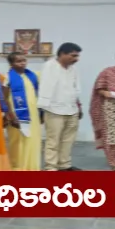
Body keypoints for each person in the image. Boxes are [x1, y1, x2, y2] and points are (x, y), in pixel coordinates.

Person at [38, 42, 84, 171]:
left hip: (72, 109)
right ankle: (51, 167)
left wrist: (79, 107)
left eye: (77, 56)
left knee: (68, 140)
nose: (76, 59)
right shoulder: (49, 66)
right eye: (73, 56)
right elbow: (45, 88)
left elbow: (75, 89)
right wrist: (42, 109)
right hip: (54, 110)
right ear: (63, 54)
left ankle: (64, 165)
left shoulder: (73, 69)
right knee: (53, 141)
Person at [4, 52, 43, 170]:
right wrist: (10, 115)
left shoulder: (32, 76)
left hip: (33, 114)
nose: (22, 63)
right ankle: (17, 168)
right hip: (16, 114)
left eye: (24, 60)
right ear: (11, 64)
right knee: (18, 142)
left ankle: (31, 167)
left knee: (32, 140)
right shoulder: (7, 78)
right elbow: (4, 98)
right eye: (18, 61)